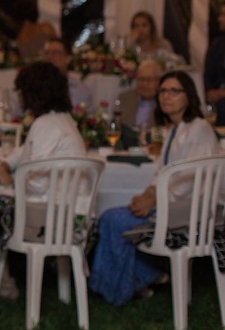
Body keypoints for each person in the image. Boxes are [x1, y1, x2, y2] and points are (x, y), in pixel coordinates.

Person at [0, 62, 86, 310]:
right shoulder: (62, 120)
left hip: (47, 216)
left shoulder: (45, 125)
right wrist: (4, 165)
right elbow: (25, 152)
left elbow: (35, 182)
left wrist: (6, 179)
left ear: (33, 93)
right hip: (66, 214)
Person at [89, 70, 219, 305]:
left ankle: (123, 288)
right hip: (171, 204)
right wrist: (147, 194)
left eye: (174, 91)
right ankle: (138, 280)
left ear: (188, 96)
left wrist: (155, 201)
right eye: (163, 91)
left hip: (189, 212)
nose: (166, 96)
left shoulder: (198, 128)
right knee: (110, 217)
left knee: (113, 220)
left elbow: (191, 180)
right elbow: (162, 173)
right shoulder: (174, 130)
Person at [44, 37, 92, 111]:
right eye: (47, 52)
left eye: (55, 53)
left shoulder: (78, 88)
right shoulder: (36, 85)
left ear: (68, 58)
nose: (49, 56)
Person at [118, 59, 163, 129]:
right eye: (141, 79)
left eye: (149, 80)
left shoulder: (164, 101)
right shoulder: (125, 98)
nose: (144, 84)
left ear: (159, 81)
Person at [204, 3, 225, 125]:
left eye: (223, 15)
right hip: (217, 98)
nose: (219, 19)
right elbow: (208, 74)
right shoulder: (217, 45)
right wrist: (209, 91)